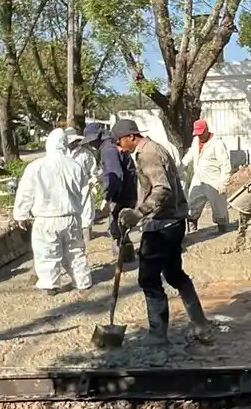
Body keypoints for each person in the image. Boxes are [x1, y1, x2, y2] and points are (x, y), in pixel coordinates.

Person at [113, 119, 214, 345]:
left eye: (119, 142)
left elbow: (162, 190)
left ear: (131, 136)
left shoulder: (148, 153)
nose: (119, 148)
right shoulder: (151, 149)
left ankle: (157, 335)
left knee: (148, 279)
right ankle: (200, 324)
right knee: (175, 275)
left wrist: (139, 213)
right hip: (173, 222)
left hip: (161, 225)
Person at [12, 128, 93, 295]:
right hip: (71, 216)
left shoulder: (36, 166)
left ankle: (50, 284)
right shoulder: (75, 166)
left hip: (46, 217)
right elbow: (83, 188)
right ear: (64, 145)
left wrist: (21, 214)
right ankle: (83, 281)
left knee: (47, 252)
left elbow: (25, 192)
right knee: (75, 251)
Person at [181, 118, 233, 234]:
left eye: (201, 134)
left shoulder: (217, 144)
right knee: (192, 204)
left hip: (214, 180)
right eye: (197, 134)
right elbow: (191, 154)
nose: (199, 136)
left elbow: (225, 165)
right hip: (198, 179)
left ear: (207, 130)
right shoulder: (195, 141)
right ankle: (193, 230)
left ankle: (222, 231)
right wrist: (182, 166)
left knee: (219, 208)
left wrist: (223, 183)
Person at [99, 119, 138, 264]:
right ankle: (127, 255)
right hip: (129, 192)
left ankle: (124, 257)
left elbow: (115, 175)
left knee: (117, 228)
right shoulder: (112, 147)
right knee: (122, 227)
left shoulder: (108, 149)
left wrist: (107, 196)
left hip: (121, 195)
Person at [69, 125, 103, 236]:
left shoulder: (86, 154)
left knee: (86, 214)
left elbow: (93, 172)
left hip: (84, 187)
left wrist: (91, 183)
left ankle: (86, 240)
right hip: (66, 188)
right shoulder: (61, 153)